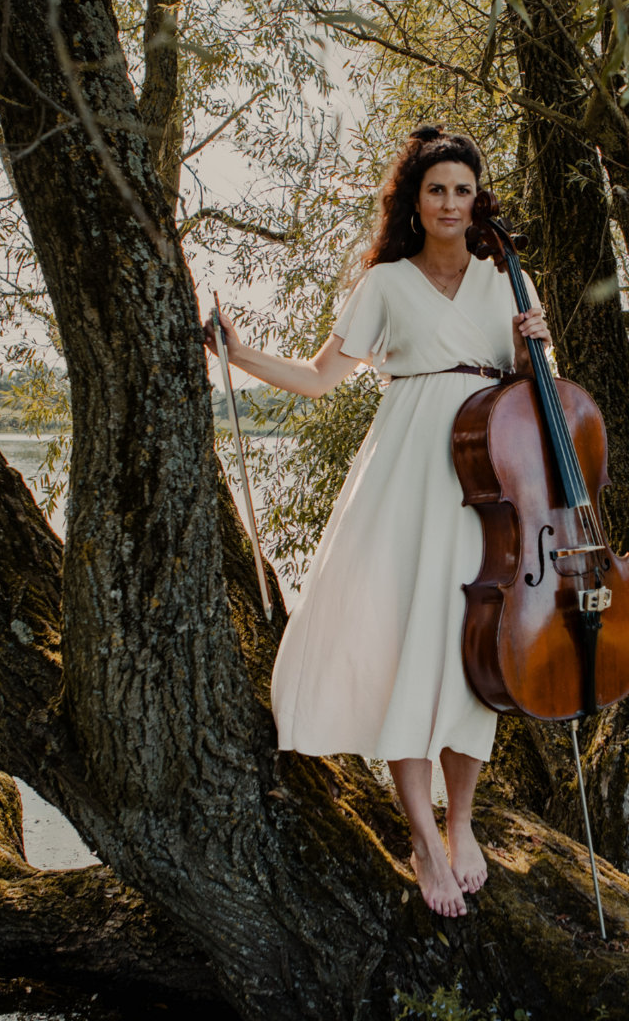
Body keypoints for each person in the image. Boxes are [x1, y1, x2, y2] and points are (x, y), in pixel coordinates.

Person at [205, 126, 551, 918]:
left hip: (485, 482)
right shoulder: (386, 283)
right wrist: (240, 355)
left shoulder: (506, 278)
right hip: (405, 474)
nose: (451, 204)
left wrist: (536, 348)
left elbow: (537, 392)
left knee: (475, 651)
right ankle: (423, 837)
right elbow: (320, 379)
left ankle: (461, 823)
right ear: (414, 201)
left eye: (463, 190)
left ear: (478, 200)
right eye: (437, 190)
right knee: (404, 645)